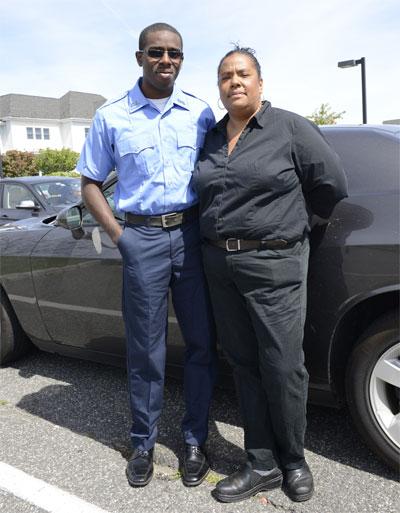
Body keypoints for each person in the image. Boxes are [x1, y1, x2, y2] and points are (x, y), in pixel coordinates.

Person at [193, 46, 348, 503]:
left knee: (282, 366)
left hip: (274, 263)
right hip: (220, 264)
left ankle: (293, 461)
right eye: (225, 76)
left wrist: (294, 234)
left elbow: (331, 186)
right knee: (243, 364)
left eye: (243, 74)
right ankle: (260, 463)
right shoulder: (213, 137)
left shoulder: (290, 128)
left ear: (260, 82)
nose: (234, 82)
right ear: (219, 87)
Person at [77, 22, 217, 488]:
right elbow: (91, 182)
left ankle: (195, 439)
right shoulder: (111, 116)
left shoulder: (199, 112)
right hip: (144, 241)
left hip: (193, 238)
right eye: (156, 52)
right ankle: (143, 442)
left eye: (174, 53)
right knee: (146, 351)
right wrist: (121, 236)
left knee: (201, 344)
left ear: (181, 59)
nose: (166, 60)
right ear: (139, 57)